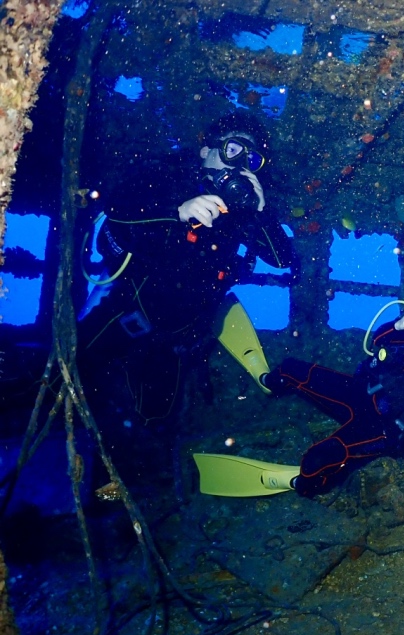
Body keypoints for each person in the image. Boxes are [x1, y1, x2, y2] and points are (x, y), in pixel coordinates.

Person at [77, 111, 294, 426]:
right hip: (124, 312)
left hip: (177, 339)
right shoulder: (169, 177)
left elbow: (284, 260)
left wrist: (261, 212)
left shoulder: (242, 211)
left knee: (155, 422)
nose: (240, 165)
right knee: (70, 371)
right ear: (207, 151)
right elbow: (116, 209)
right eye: (233, 151)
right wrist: (176, 211)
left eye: (252, 159)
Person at [193, 292, 404, 498]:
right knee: (292, 369)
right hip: (365, 394)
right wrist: (400, 325)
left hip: (390, 431)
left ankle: (296, 481)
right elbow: (379, 342)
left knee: (317, 461)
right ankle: (267, 381)